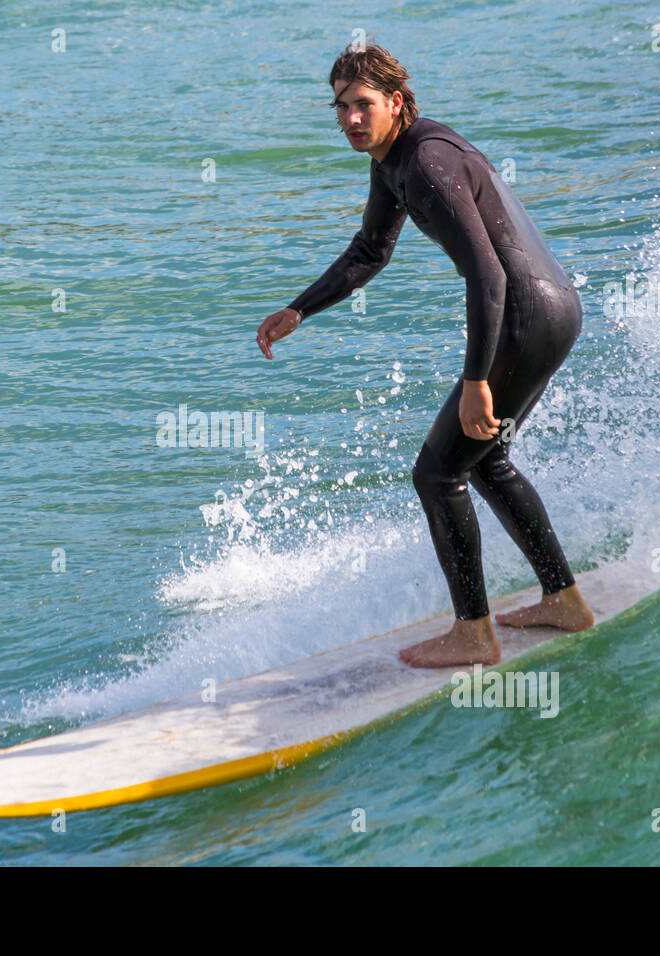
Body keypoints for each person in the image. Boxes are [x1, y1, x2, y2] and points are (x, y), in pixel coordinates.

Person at [255, 42, 594, 668]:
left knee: (438, 474)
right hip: (552, 309)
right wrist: (299, 309)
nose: (351, 119)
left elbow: (488, 276)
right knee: (488, 461)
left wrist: (476, 383)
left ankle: (474, 635)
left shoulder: (427, 164)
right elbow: (370, 252)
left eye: (364, 105)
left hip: (526, 315)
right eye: (341, 107)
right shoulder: (395, 162)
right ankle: (564, 601)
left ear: (396, 103)